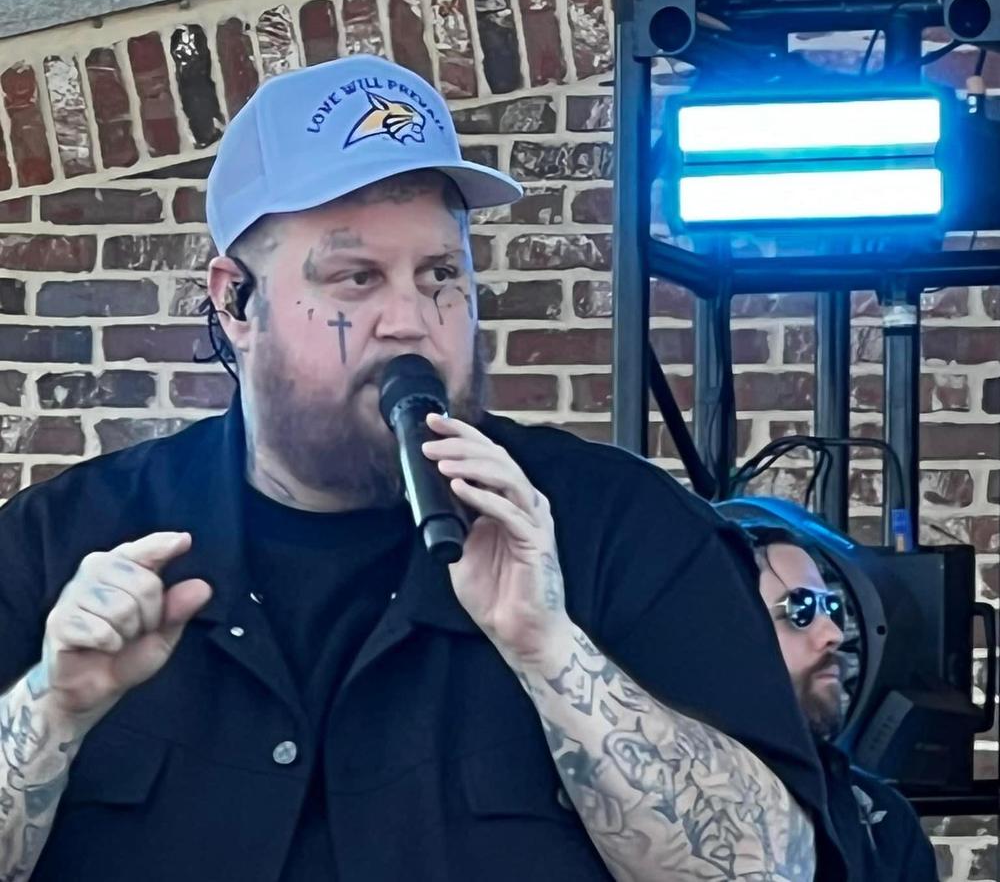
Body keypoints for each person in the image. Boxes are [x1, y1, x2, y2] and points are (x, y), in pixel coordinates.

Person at [0, 53, 846, 882]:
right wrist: (52, 708)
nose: (409, 319)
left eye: (440, 274)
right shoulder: (64, 540)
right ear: (236, 301)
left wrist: (553, 652)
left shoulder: (618, 524)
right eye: (356, 278)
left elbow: (769, 867)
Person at [731, 517, 938, 881]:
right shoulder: (655, 800)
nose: (834, 634)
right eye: (801, 609)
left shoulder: (882, 822)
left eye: (831, 608)